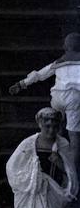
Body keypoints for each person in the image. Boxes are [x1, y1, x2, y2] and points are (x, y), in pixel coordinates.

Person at [11, 33, 80, 170]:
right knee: (74, 135)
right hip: (73, 99)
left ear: (66, 48)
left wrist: (22, 84)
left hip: (57, 98)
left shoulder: (59, 62)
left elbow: (40, 74)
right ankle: (72, 169)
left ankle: (55, 153)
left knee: (56, 127)